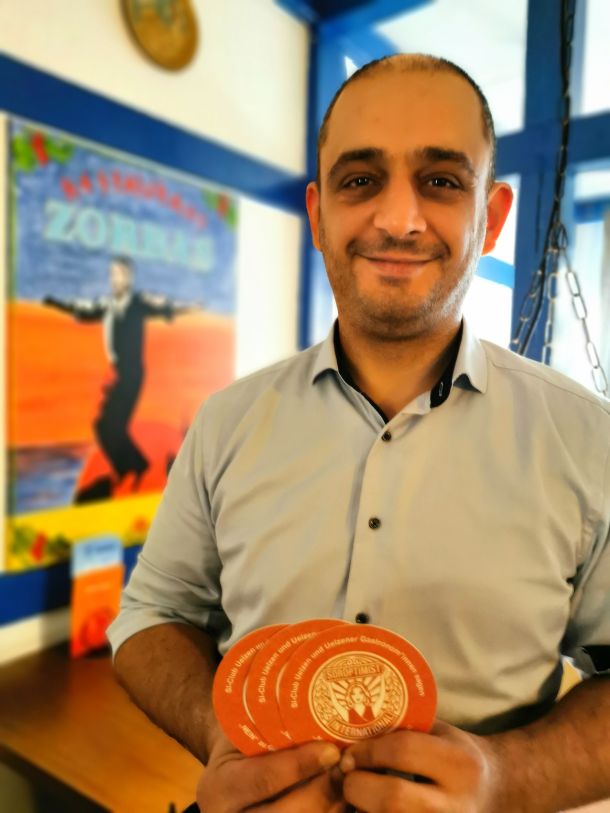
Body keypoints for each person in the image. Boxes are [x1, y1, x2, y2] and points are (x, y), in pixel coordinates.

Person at [107, 54, 610, 812]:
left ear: (494, 216)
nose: (399, 219)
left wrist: (506, 775)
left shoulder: (587, 439)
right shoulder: (227, 423)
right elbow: (151, 616)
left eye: (441, 181)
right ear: (318, 214)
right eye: (361, 179)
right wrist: (222, 734)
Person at [44, 257, 200, 499]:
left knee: (110, 425)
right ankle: (133, 466)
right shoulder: (107, 305)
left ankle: (133, 467)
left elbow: (164, 306)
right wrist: (56, 304)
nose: (115, 279)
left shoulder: (138, 303)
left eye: (119, 274)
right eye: (112, 274)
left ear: (128, 278)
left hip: (131, 373)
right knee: (104, 426)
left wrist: (189, 308)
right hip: (118, 372)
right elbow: (83, 308)